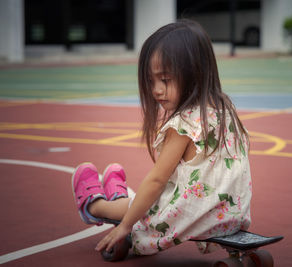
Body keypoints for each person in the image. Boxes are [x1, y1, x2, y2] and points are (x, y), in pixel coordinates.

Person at [71, 19, 252, 256]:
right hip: (231, 216)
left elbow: (156, 181)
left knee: (150, 205)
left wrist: (126, 227)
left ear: (194, 73)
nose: (156, 90)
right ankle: (118, 197)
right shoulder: (225, 109)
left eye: (165, 80)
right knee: (159, 197)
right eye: (150, 80)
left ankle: (95, 205)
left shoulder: (185, 124)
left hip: (191, 216)